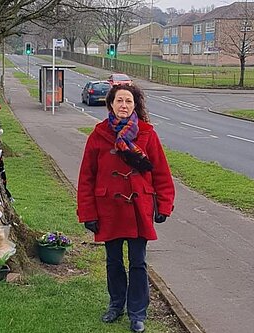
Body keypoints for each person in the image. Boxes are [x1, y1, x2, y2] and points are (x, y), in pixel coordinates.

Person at [77, 84, 175, 333]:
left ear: (135, 105)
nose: (123, 106)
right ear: (111, 104)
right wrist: (88, 213)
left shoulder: (147, 134)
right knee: (113, 262)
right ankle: (116, 304)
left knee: (138, 262)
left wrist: (164, 205)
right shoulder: (98, 135)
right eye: (119, 101)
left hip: (138, 207)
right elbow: (86, 177)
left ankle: (137, 312)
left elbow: (161, 173)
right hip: (108, 207)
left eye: (128, 101)